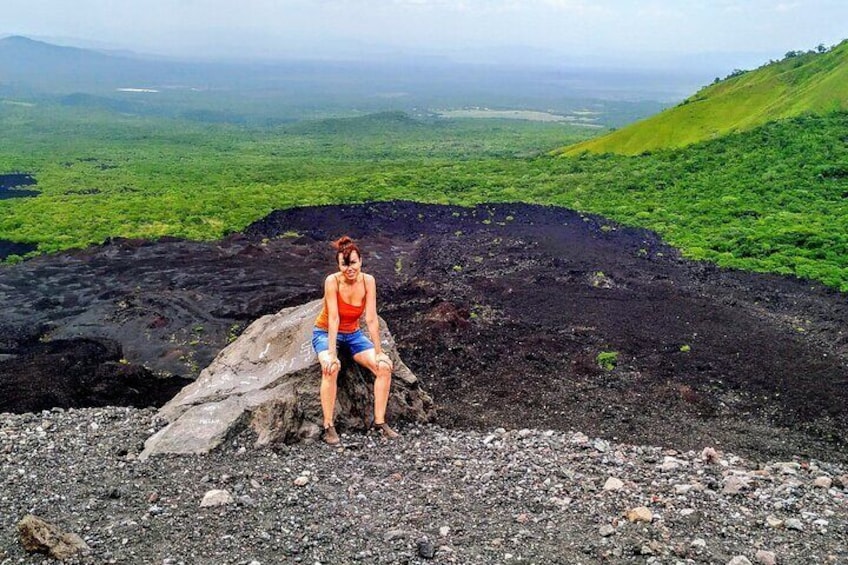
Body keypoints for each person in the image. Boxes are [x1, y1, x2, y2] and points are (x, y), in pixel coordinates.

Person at [312, 235, 398, 445]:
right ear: (338, 265)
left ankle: (380, 422)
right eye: (344, 264)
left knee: (384, 367)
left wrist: (379, 352)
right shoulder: (332, 281)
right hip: (325, 332)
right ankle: (328, 425)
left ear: (360, 261)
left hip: (353, 334)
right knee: (331, 368)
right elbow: (333, 318)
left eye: (353, 263)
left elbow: (371, 318)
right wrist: (331, 354)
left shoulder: (368, 281)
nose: (350, 268)